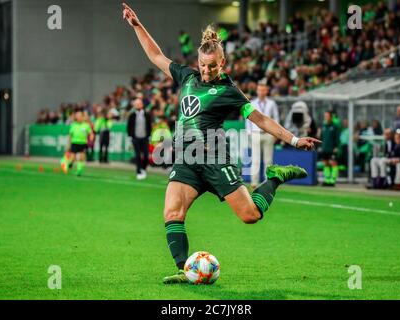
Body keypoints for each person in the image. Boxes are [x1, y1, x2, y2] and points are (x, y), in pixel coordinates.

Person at [122, 3, 320, 284]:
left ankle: (275, 177)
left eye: (211, 66)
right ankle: (184, 269)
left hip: (215, 159)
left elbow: (260, 119)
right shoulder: (187, 76)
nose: (205, 71)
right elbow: (156, 56)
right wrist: (137, 25)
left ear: (222, 64)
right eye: (203, 65)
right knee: (172, 213)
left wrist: (294, 139)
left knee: (250, 215)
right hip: (188, 159)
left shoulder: (229, 91)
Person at [246, 80, 280, 189]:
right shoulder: (252, 103)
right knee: (255, 159)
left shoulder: (272, 103)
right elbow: (248, 119)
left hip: (269, 134)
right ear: (257, 91)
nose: (261, 92)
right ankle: (254, 183)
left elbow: (276, 118)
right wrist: (249, 133)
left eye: (263, 90)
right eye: (260, 90)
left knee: (268, 160)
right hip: (256, 133)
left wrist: (276, 134)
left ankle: (267, 182)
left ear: (267, 91)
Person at [60, 110, 94, 176]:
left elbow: (91, 133)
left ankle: (79, 171)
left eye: (80, 116)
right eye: (78, 116)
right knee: (73, 158)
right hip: (74, 143)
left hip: (83, 143)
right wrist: (68, 144)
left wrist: (91, 137)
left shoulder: (86, 125)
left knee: (82, 157)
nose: (79, 117)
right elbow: (70, 135)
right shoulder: (73, 125)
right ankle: (68, 163)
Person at [127, 98, 152, 180]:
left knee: (145, 155)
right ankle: (138, 171)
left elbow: (149, 126)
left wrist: (149, 135)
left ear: (142, 105)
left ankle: (143, 169)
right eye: (136, 104)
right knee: (137, 155)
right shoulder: (132, 115)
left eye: (139, 104)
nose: (137, 105)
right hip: (135, 138)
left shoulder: (147, 115)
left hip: (145, 138)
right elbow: (129, 127)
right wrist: (130, 136)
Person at [319, 111, 340, 186]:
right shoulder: (323, 126)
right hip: (324, 148)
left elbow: (337, 138)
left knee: (333, 163)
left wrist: (336, 147)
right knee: (325, 163)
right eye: (325, 116)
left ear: (331, 117)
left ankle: (332, 181)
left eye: (327, 116)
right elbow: (321, 137)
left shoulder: (335, 126)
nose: (326, 117)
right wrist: (320, 146)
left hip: (332, 149)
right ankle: (327, 180)